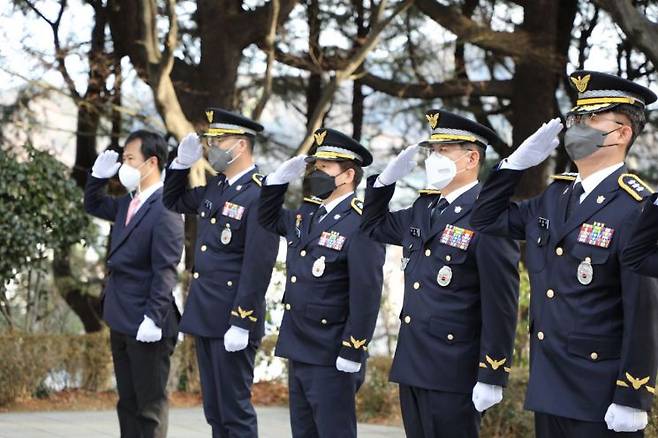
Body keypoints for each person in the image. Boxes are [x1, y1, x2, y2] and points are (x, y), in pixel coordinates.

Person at [470, 70, 658, 437]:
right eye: (576, 118)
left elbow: (643, 310)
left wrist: (633, 395)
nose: (578, 127)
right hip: (549, 384)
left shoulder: (637, 207)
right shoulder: (554, 197)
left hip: (600, 395)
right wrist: (513, 166)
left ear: (622, 133)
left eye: (592, 119)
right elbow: (485, 218)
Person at [360, 109, 520, 438]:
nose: (433, 158)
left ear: (471, 157)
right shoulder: (425, 208)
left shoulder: (487, 216)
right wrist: (382, 184)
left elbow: (501, 303)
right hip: (413, 362)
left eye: (443, 150)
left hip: (454, 369)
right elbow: (373, 226)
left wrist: (492, 372)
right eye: (432, 150)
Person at [257, 128, 385, 438]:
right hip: (299, 345)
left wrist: (353, 349)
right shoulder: (307, 214)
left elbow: (366, 294)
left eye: (325, 167)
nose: (317, 173)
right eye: (316, 166)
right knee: (303, 432)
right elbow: (266, 218)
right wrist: (275, 182)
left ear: (348, 174)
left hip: (331, 353)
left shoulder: (361, 223)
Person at [162, 108, 279, 437]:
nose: (211, 146)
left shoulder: (261, 195)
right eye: (210, 140)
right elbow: (173, 201)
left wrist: (242, 320)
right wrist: (180, 166)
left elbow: (258, 266)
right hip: (207, 313)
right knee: (215, 411)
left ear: (240, 146)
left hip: (232, 317)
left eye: (218, 140)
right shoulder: (217, 187)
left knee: (235, 411)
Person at [85, 130, 184, 438]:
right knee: (127, 402)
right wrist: (97, 178)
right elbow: (94, 205)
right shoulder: (130, 202)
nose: (123, 166)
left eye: (130, 159)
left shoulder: (165, 209)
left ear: (151, 162)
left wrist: (153, 318)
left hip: (147, 320)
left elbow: (165, 270)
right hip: (121, 316)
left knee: (149, 407)